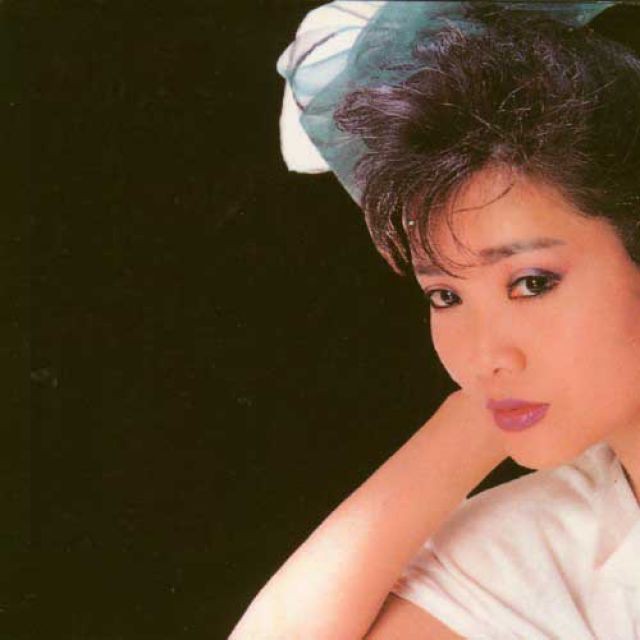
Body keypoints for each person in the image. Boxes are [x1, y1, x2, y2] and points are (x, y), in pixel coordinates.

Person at [230, 2, 640, 638]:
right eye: (445, 296)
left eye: (531, 283)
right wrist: (473, 421)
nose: (482, 354)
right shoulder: (546, 545)